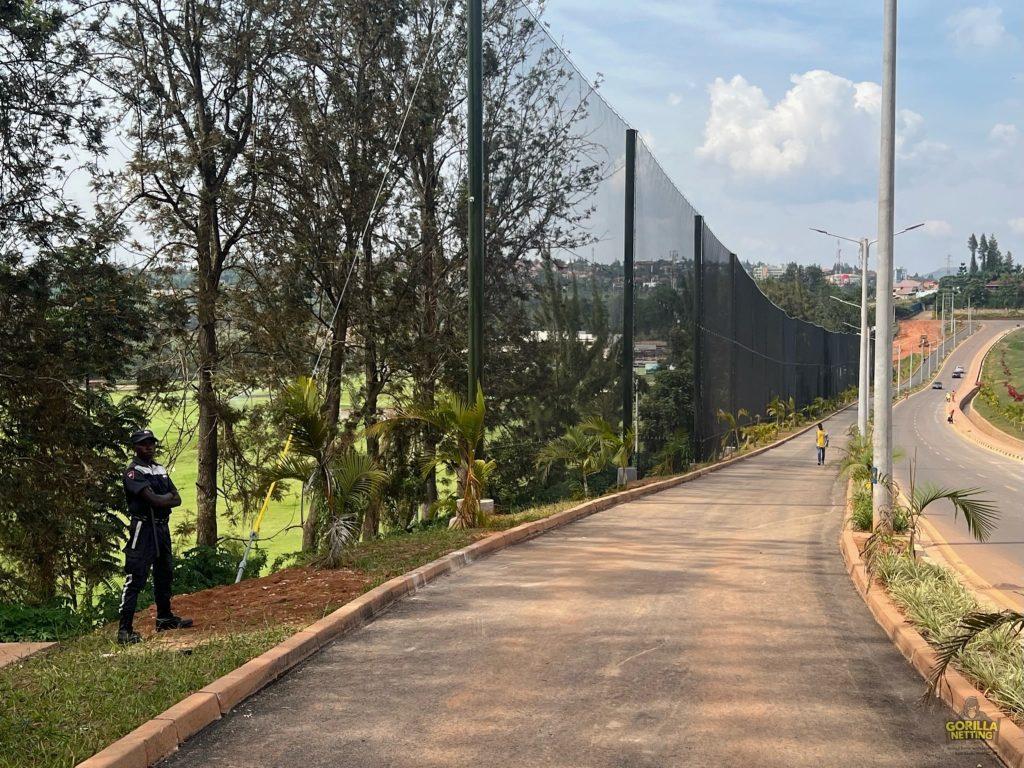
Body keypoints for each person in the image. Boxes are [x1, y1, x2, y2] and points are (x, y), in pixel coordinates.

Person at [117, 428, 193, 644]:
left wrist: (163, 498)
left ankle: (164, 618)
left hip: (161, 527)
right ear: (135, 447)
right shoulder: (133, 472)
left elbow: (177, 499)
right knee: (136, 577)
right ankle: (124, 630)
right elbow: (155, 500)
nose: (149, 447)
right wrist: (165, 498)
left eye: (151, 443)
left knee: (164, 572)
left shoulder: (159, 469)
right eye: (143, 444)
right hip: (143, 528)